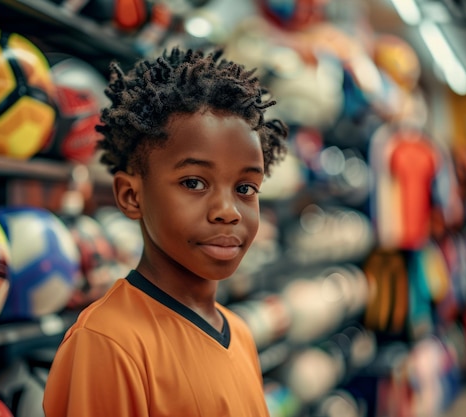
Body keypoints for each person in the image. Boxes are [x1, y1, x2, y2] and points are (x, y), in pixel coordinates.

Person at [43, 46, 288, 417]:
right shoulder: (109, 342)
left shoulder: (239, 332)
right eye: (193, 182)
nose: (228, 212)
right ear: (131, 195)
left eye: (245, 188)